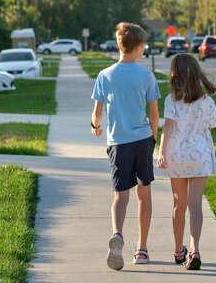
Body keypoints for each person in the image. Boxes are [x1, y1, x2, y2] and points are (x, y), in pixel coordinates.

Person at [91, 22, 160, 271]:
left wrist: (94, 126)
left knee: (121, 195)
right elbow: (154, 114)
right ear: (139, 47)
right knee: (144, 194)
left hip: (118, 143)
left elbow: (97, 113)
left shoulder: (105, 75)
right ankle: (141, 249)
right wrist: (153, 139)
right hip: (142, 141)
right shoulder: (146, 76)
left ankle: (117, 235)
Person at [156, 53, 216, 270]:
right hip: (199, 157)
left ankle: (178, 250)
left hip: (177, 157)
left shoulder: (171, 100)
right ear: (196, 73)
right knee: (195, 205)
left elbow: (168, 127)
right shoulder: (207, 101)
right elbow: (210, 126)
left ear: (175, 74)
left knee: (178, 205)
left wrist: (161, 152)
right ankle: (195, 249)